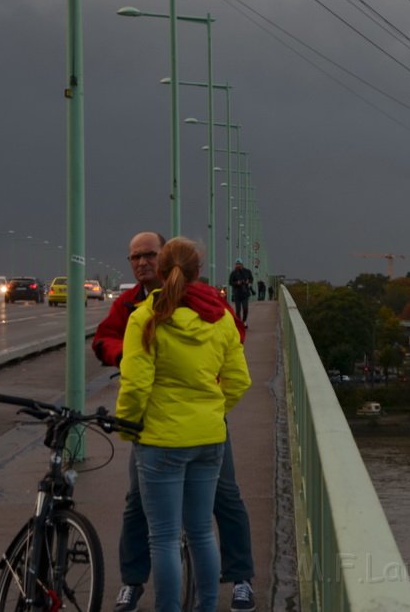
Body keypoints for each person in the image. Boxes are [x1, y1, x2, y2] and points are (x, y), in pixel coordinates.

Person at [94, 232, 257, 612]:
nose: (140, 263)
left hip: (160, 435)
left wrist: (127, 425)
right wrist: (213, 409)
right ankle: (205, 604)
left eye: (148, 255)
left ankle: (170, 599)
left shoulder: (144, 316)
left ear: (163, 264)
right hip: (207, 433)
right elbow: (240, 379)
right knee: (201, 530)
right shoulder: (218, 315)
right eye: (134, 256)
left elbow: (136, 384)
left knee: (164, 537)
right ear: (196, 271)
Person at [228, 259, 254, 326]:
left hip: (245, 293)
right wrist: (237, 283)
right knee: (238, 310)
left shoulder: (247, 271)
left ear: (242, 264)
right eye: (236, 264)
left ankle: (244, 321)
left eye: (239, 264)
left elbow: (251, 279)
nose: (238, 265)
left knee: (245, 308)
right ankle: (239, 323)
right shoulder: (233, 273)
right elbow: (230, 282)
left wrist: (248, 281)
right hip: (237, 293)